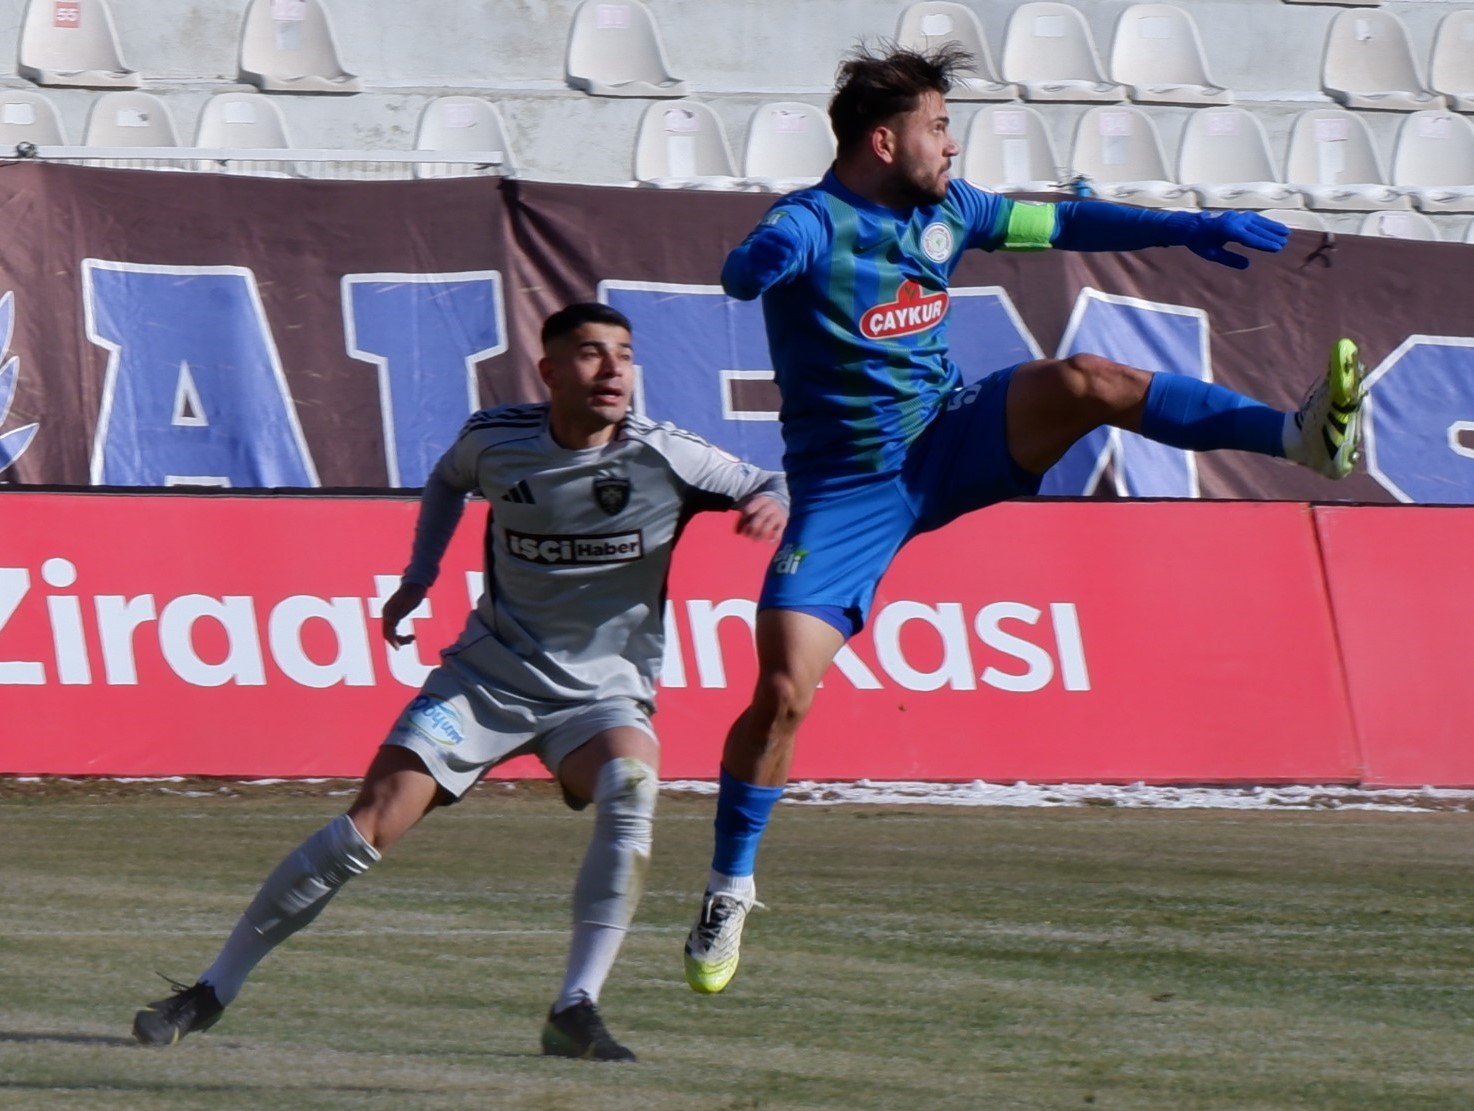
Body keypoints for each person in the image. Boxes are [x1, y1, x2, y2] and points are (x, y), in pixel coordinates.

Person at [681, 43, 1368, 995]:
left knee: (1086, 380)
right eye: (938, 126)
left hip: (950, 433)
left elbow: (1066, 217)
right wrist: (754, 264)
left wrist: (1188, 227)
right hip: (845, 491)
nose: (952, 145)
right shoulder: (807, 221)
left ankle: (1299, 441)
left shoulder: (950, 211)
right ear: (885, 139)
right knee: (784, 693)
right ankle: (730, 884)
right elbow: (746, 272)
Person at [130, 302, 787, 1061]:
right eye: (590, 353)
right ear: (549, 372)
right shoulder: (496, 440)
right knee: (368, 823)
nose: (613, 370)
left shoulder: (665, 454)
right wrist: (419, 577)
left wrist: (769, 498)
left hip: (600, 697)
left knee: (632, 783)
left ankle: (576, 1006)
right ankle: (211, 988)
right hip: (484, 683)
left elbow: (772, 477)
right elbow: (447, 482)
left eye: (625, 354)